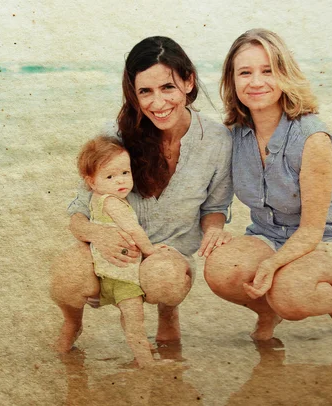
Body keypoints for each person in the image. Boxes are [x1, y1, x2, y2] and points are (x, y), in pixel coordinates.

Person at [51, 36, 233, 353]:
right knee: (66, 276)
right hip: (112, 253)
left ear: (189, 82)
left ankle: (167, 314)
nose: (157, 103)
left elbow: (214, 207)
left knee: (164, 278)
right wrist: (100, 235)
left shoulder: (217, 140)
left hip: (167, 255)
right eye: (145, 92)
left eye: (167, 88)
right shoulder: (115, 135)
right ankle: (72, 321)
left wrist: (215, 228)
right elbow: (78, 214)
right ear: (134, 95)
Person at [204, 28, 332, 341]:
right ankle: (269, 312)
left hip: (327, 241)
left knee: (290, 294)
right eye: (245, 72)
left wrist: (270, 266)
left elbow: (310, 232)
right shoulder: (235, 135)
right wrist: (214, 229)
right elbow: (215, 199)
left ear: (284, 75)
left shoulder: (312, 139)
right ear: (232, 80)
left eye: (268, 71)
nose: (255, 82)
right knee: (220, 268)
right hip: (269, 236)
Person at [77, 135, 163, 366]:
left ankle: (139, 355)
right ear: (92, 182)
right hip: (123, 276)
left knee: (129, 319)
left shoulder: (97, 199)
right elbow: (134, 230)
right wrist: (151, 251)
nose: (120, 181)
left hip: (106, 274)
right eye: (110, 176)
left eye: (125, 172)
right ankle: (147, 363)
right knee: (136, 321)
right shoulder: (114, 203)